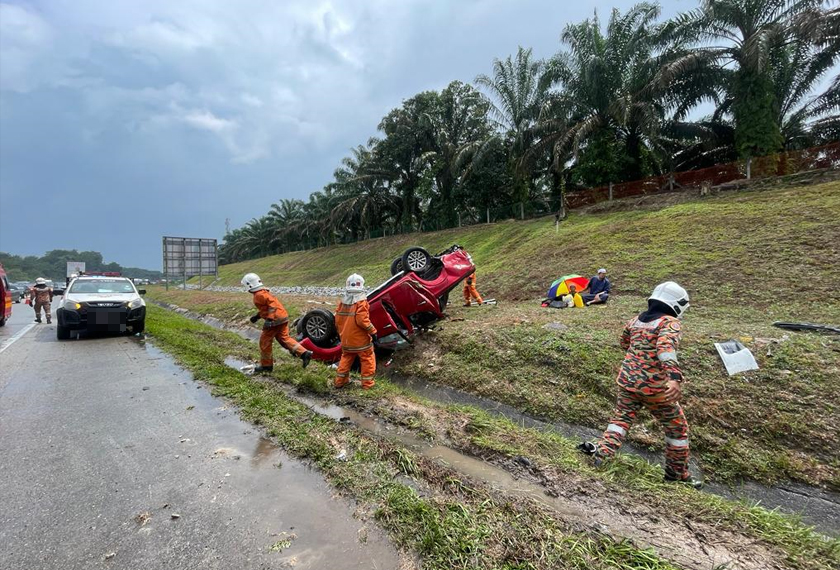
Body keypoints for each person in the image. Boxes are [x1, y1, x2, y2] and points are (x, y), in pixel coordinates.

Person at [579, 281, 701, 489]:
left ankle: (602, 453)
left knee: (620, 420)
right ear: (676, 303)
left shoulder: (636, 320)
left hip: (628, 382)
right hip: (656, 388)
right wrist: (674, 377)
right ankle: (676, 475)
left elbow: (623, 343)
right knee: (677, 429)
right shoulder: (669, 323)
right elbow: (665, 347)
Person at [242, 273, 312, 373]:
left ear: (249, 285)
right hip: (282, 317)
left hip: (275, 320)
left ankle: (266, 366)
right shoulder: (264, 292)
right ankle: (304, 353)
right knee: (284, 338)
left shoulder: (259, 295)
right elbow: (265, 308)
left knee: (264, 342)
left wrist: (270, 320)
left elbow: (272, 306)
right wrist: (257, 317)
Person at [334, 274, 377, 389]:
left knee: (346, 357)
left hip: (346, 339)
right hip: (360, 340)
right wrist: (373, 331)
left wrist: (341, 334)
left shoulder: (342, 303)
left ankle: (340, 381)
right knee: (367, 358)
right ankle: (368, 384)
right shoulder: (361, 301)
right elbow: (362, 320)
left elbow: (337, 320)